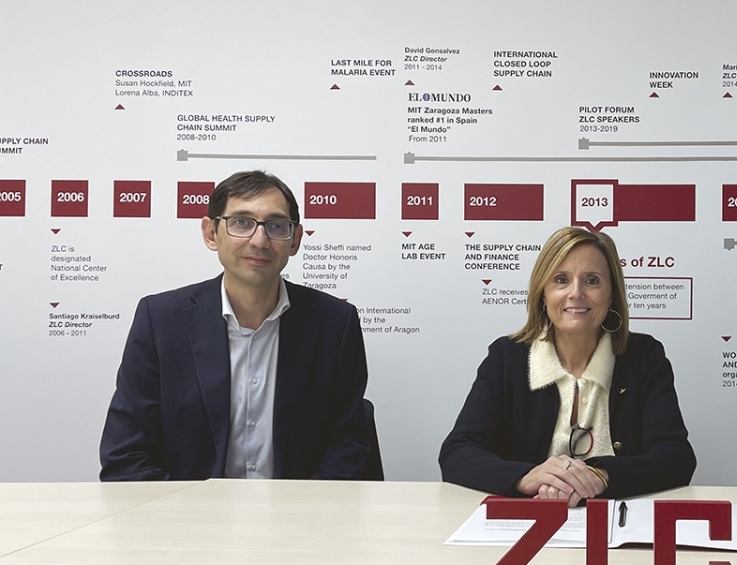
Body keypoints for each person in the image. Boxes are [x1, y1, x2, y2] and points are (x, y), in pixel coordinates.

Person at [100, 170, 379, 481]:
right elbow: (127, 455)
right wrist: (188, 510)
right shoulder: (161, 321)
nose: (259, 240)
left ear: (295, 240)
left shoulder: (335, 324)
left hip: (298, 509)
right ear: (211, 233)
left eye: (276, 226)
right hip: (188, 509)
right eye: (242, 223)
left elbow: (349, 445)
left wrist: (299, 509)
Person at [440, 227, 695, 505]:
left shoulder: (644, 357)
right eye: (561, 280)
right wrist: (527, 477)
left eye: (592, 281)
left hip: (617, 523)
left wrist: (599, 476)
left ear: (611, 295)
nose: (576, 293)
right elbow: (458, 453)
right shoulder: (506, 357)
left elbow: (676, 457)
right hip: (528, 521)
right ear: (543, 294)